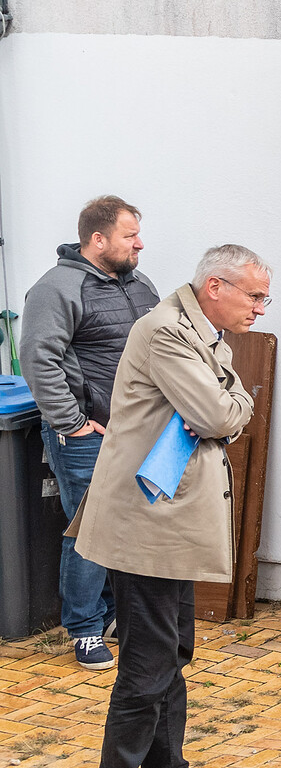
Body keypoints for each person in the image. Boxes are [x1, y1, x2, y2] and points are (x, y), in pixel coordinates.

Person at [76, 244, 265, 768]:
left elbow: (228, 403)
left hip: (166, 522)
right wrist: (233, 402)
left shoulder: (199, 331)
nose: (262, 306)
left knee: (172, 651)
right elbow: (220, 416)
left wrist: (230, 402)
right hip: (146, 525)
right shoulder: (166, 332)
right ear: (216, 285)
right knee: (147, 659)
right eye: (254, 295)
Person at [21, 195, 158, 670]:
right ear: (97, 240)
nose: (140, 243)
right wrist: (72, 423)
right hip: (87, 433)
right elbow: (39, 359)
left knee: (130, 525)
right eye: (129, 235)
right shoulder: (57, 288)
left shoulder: (140, 285)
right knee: (89, 528)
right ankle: (84, 629)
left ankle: (118, 615)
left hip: (137, 429)